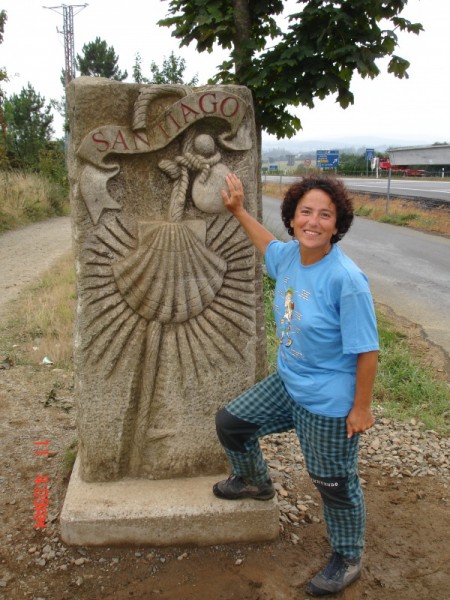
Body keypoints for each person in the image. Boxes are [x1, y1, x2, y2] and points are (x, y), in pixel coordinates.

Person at [213, 173, 379, 597]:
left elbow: (367, 351)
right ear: (292, 217)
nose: (313, 222)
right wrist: (237, 210)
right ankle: (255, 481)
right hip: (288, 383)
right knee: (232, 424)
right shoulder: (289, 257)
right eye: (306, 212)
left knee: (332, 482)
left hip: (327, 401)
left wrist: (361, 408)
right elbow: (267, 244)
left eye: (325, 215)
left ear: (337, 225)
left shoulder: (346, 280)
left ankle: (348, 556)